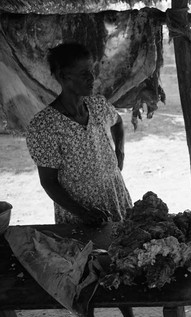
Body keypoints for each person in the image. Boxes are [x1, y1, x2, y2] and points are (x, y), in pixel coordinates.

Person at [25, 42, 134, 317]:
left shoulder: (97, 105)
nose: (91, 78)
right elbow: (49, 182)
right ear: (63, 76)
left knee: (120, 259)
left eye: (92, 71)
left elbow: (118, 121)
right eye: (83, 73)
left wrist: (119, 151)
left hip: (114, 196)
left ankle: (128, 312)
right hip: (78, 209)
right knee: (87, 271)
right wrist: (83, 213)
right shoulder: (44, 126)